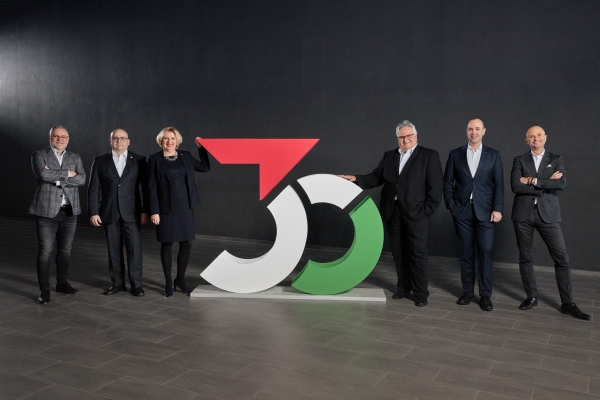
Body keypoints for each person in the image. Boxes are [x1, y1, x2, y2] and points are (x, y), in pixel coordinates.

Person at [339, 120, 443, 306]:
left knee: (417, 254)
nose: (405, 139)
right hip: (392, 213)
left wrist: (427, 210)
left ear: (416, 136)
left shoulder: (428, 155)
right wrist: (356, 178)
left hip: (416, 214)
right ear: (397, 139)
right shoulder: (389, 156)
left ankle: (420, 294)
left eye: (409, 135)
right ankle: (403, 287)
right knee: (398, 253)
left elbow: (435, 186)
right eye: (401, 137)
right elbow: (376, 177)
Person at [510, 126, 589, 320]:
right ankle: (531, 297)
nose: (535, 138)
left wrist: (532, 180)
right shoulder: (519, 160)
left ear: (545, 138)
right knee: (525, 258)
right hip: (523, 215)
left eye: (539, 135)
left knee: (562, 258)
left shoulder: (556, 159)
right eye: (531, 136)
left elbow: (560, 184)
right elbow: (515, 185)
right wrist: (546, 182)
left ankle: (568, 303)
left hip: (549, 215)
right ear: (527, 140)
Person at [443, 118, 503, 311]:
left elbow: (499, 185)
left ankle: (485, 295)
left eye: (477, 129)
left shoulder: (493, 155)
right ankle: (467, 292)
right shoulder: (455, 154)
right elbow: (447, 182)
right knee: (466, 253)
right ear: (466, 131)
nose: (473, 132)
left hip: (486, 212)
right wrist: (452, 205)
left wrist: (497, 209)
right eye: (470, 129)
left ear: (484, 131)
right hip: (462, 212)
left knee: (485, 252)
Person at [148, 127, 210, 297]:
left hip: (185, 207)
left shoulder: (186, 156)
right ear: (161, 141)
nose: (169, 141)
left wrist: (202, 149)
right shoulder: (154, 159)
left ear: (177, 141)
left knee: (187, 242)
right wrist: (154, 211)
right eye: (166, 138)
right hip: (165, 208)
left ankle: (180, 280)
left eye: (172, 138)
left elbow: (205, 167)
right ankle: (168, 281)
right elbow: (151, 187)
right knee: (167, 243)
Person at [88, 129, 149, 297]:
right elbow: (93, 188)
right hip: (109, 211)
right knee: (113, 250)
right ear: (110, 141)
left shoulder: (139, 160)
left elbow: (146, 188)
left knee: (134, 249)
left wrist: (145, 210)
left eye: (122, 138)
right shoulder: (100, 161)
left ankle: (136, 285)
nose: (119, 141)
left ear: (128, 141)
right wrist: (93, 212)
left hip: (132, 212)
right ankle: (117, 284)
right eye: (115, 138)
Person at [29, 126, 86, 304]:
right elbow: (43, 174)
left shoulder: (75, 157)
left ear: (68, 139)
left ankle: (62, 283)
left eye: (63, 137)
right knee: (45, 251)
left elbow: (82, 179)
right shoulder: (39, 155)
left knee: (65, 250)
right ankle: (44, 290)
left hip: (69, 211)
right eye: (56, 136)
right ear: (50, 138)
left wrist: (56, 178)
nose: (60, 139)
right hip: (46, 212)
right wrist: (69, 174)